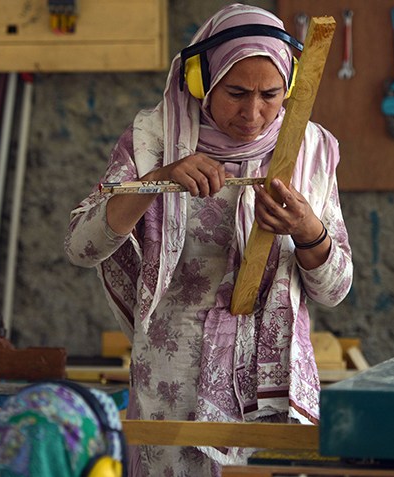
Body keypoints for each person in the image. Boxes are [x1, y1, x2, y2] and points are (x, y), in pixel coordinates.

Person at [65, 3, 353, 476]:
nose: (253, 113)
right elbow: (81, 247)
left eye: (271, 94)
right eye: (236, 92)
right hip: (173, 383)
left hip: (269, 390)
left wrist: (308, 231)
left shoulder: (311, 149)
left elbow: (334, 289)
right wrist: (158, 180)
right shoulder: (153, 140)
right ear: (201, 81)